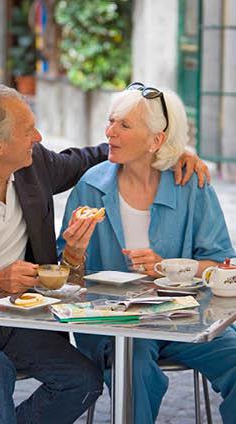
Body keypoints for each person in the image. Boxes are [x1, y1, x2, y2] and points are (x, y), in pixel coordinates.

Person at [0, 85, 207, 423]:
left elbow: (89, 157)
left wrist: (166, 150)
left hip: (14, 318)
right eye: (27, 129)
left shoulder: (34, 165)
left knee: (82, 380)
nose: (39, 135)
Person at [58, 84, 236, 424]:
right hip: (114, 325)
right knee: (133, 363)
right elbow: (65, 284)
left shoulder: (191, 184)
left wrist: (170, 269)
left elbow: (220, 264)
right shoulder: (91, 187)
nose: (109, 132)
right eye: (111, 122)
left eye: (124, 125)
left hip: (185, 319)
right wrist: (74, 254)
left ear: (157, 139)